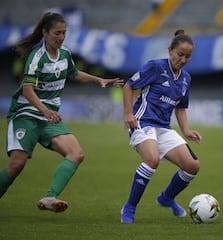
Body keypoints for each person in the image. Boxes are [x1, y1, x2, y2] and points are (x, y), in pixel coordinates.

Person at [0, 12, 123, 212]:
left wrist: (98, 80)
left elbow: (73, 73)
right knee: (17, 164)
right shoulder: (37, 57)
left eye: (64, 33)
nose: (61, 37)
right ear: (45, 33)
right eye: (57, 33)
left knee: (76, 153)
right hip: (26, 114)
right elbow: (27, 90)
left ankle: (50, 198)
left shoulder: (64, 53)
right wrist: (46, 111)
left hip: (48, 118)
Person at [120, 29, 201, 223]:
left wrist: (186, 131)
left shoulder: (186, 79)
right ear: (170, 51)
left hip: (163, 127)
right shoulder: (155, 67)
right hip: (143, 121)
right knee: (152, 159)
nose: (183, 59)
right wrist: (129, 113)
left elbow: (180, 108)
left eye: (187, 57)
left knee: (192, 166)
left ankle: (166, 198)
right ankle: (129, 207)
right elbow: (128, 86)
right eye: (180, 54)